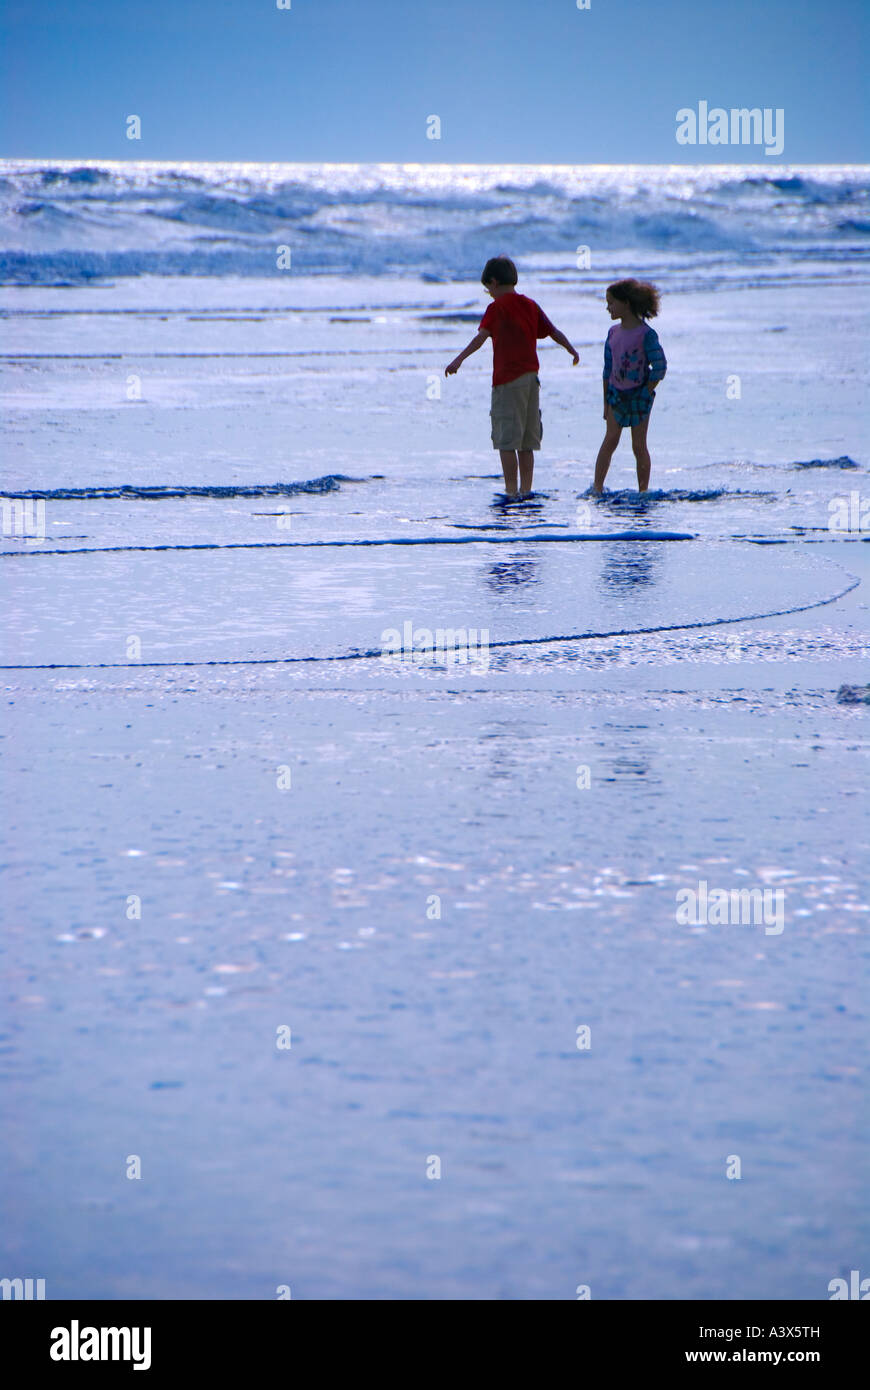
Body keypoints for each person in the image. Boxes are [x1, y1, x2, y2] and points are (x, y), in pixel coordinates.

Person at [445, 256, 579, 499]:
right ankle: (526, 490)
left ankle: (511, 490)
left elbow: (480, 338)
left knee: (507, 439)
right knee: (527, 441)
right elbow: (553, 332)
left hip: (507, 381)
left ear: (494, 282)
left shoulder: (496, 308)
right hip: (531, 380)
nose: (490, 294)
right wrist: (571, 349)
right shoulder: (530, 304)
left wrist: (459, 359)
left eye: (488, 289)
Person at [592, 279, 666, 494]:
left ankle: (643, 491)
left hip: (639, 397)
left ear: (626, 303)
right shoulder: (612, 333)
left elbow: (660, 366)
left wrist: (646, 390)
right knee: (610, 440)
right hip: (616, 396)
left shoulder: (646, 334)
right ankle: (597, 488)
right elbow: (607, 370)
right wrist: (605, 402)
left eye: (611, 303)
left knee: (638, 446)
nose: (608, 308)